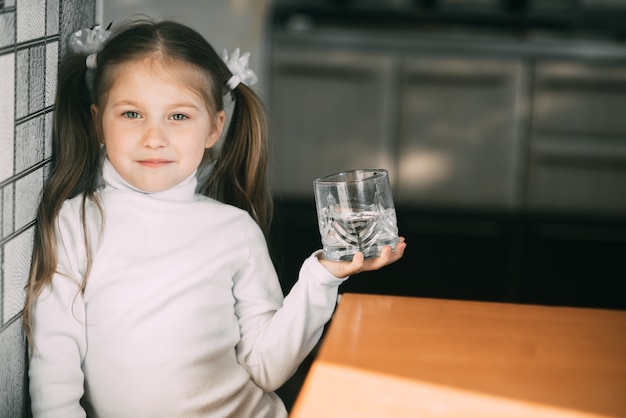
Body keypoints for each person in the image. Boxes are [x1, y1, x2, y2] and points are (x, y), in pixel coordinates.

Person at [23, 17, 406, 418]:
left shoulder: (235, 231)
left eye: (179, 116)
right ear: (99, 121)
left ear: (214, 128)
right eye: (132, 114)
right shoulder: (74, 223)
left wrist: (323, 276)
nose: (154, 137)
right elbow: (55, 361)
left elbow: (268, 367)